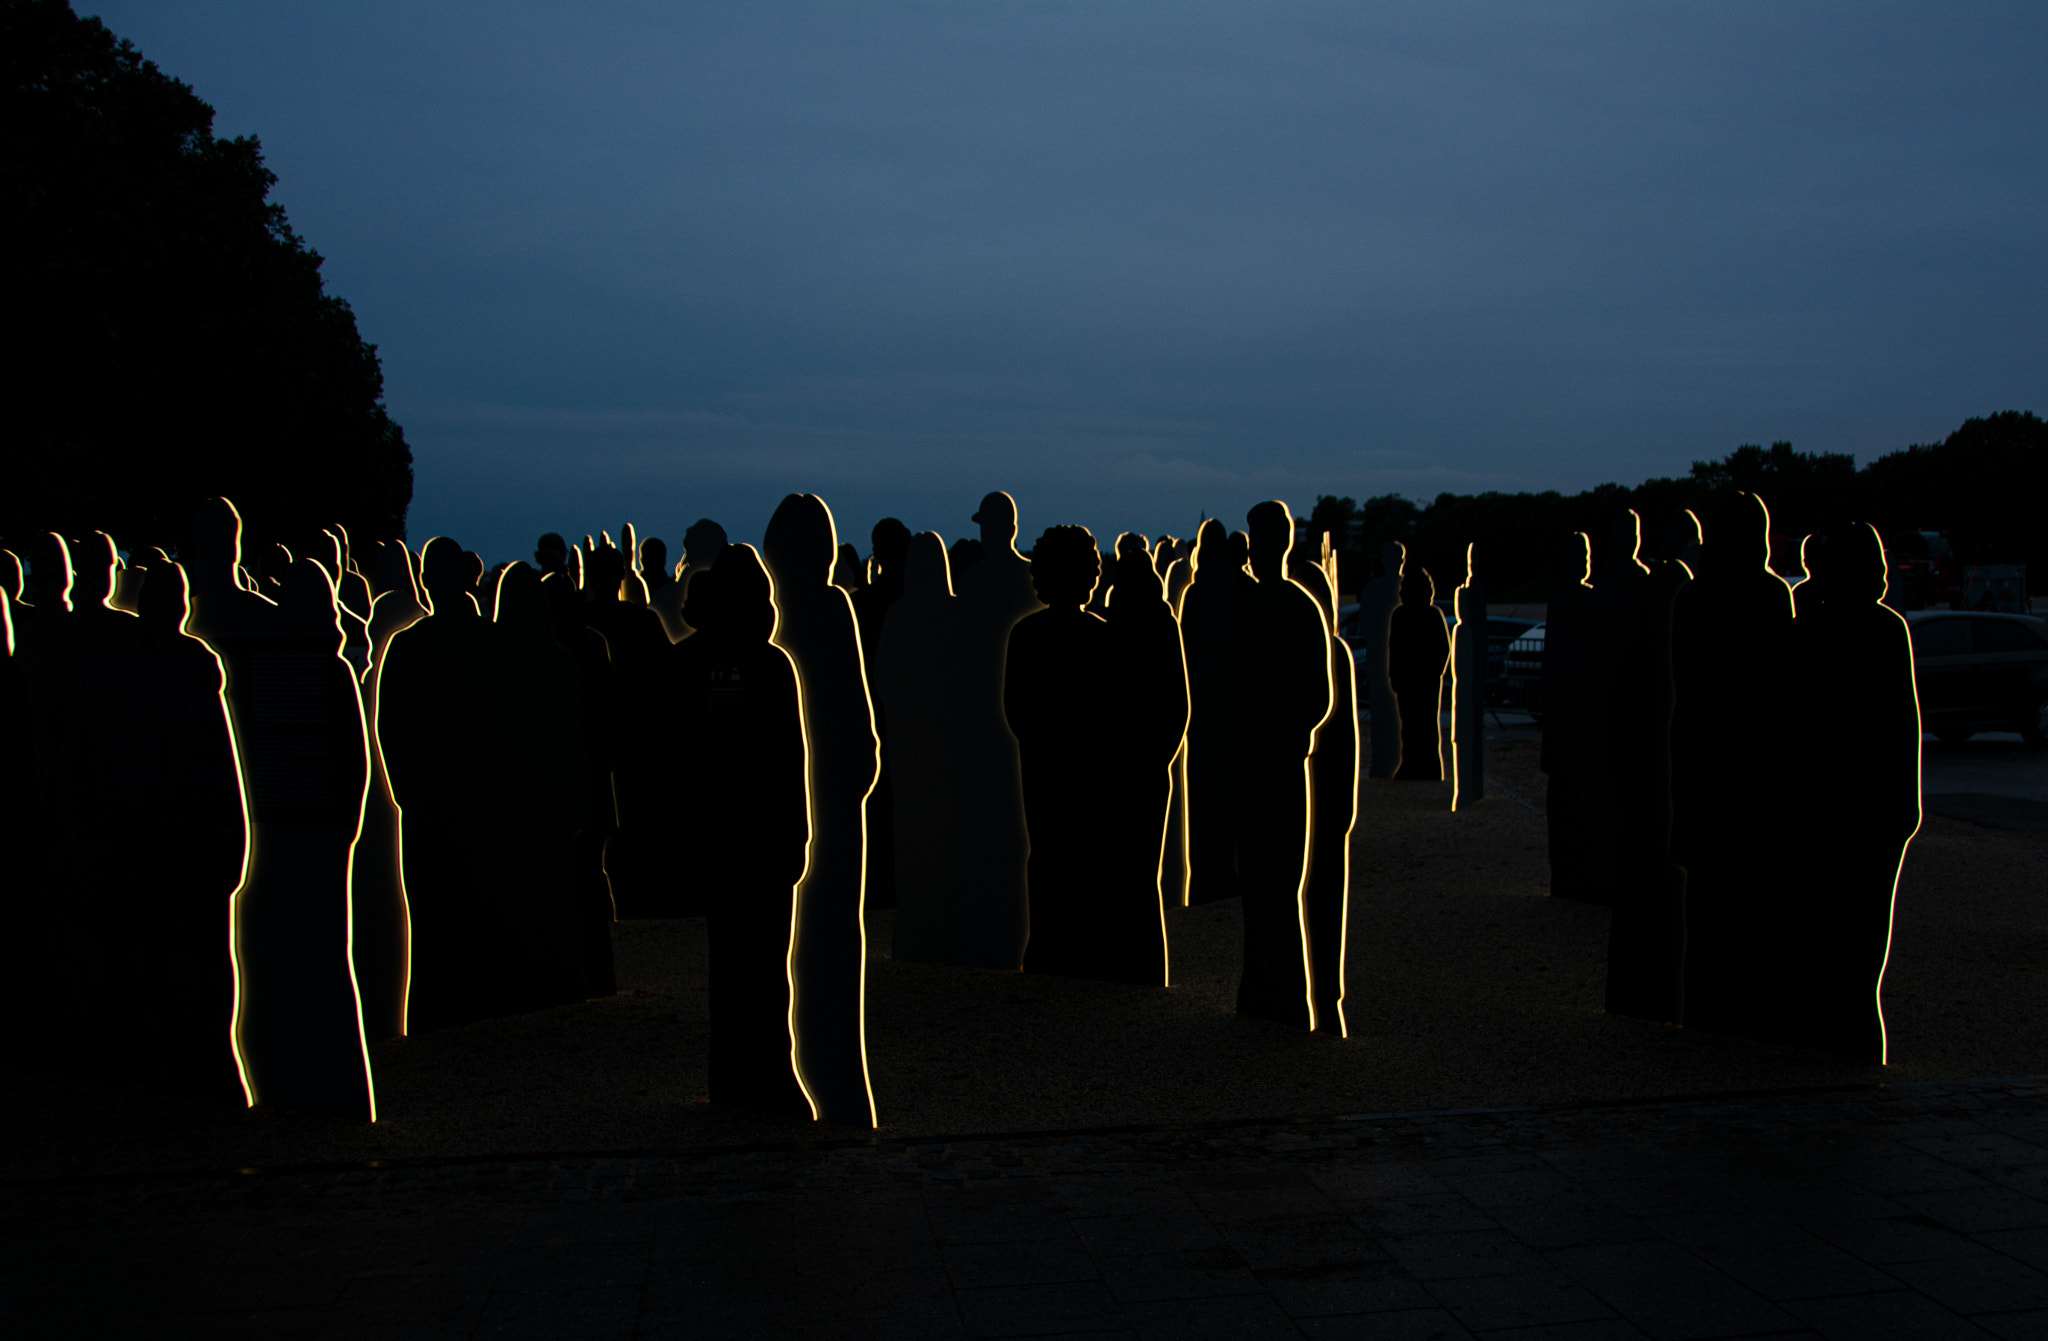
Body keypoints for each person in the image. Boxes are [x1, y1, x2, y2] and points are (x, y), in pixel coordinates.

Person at [671, 545, 812, 1116]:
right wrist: (798, 833)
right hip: (760, 835)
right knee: (763, 967)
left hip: (724, 834)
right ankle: (768, 1075)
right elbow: (787, 757)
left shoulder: (691, 661)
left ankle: (734, 1078)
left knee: (731, 964)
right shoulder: (770, 663)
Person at [761, 494, 880, 1125]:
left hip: (790, 805)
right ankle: (837, 1085)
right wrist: (856, 780)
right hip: (831, 803)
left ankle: (808, 1075)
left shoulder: (769, 617)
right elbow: (858, 725)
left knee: (794, 950)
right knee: (831, 947)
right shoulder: (832, 609)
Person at [1231, 502, 1334, 1027]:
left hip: (1274, 760)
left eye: (1259, 537)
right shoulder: (1283, 606)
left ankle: (1281, 992)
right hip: (1266, 759)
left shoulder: (1289, 607)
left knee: (1274, 881)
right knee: (1263, 882)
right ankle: (1269, 990)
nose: (1253, 547)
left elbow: (1317, 697)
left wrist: (1281, 734)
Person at [1004, 526, 1115, 978]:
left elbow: (1017, 707)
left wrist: (1041, 739)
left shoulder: (1027, 633)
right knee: (1075, 852)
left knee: (1049, 851)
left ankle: (1050, 943)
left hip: (1046, 760)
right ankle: (1076, 943)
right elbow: (1112, 708)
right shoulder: (1101, 637)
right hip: (1078, 763)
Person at [1389, 566, 1450, 782]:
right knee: (1413, 726)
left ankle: (1427, 767)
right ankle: (1416, 765)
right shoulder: (1409, 615)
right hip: (1417, 680)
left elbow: (1442, 649)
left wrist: (1433, 672)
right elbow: (1395, 650)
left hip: (1420, 680)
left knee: (1422, 725)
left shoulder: (1413, 615)